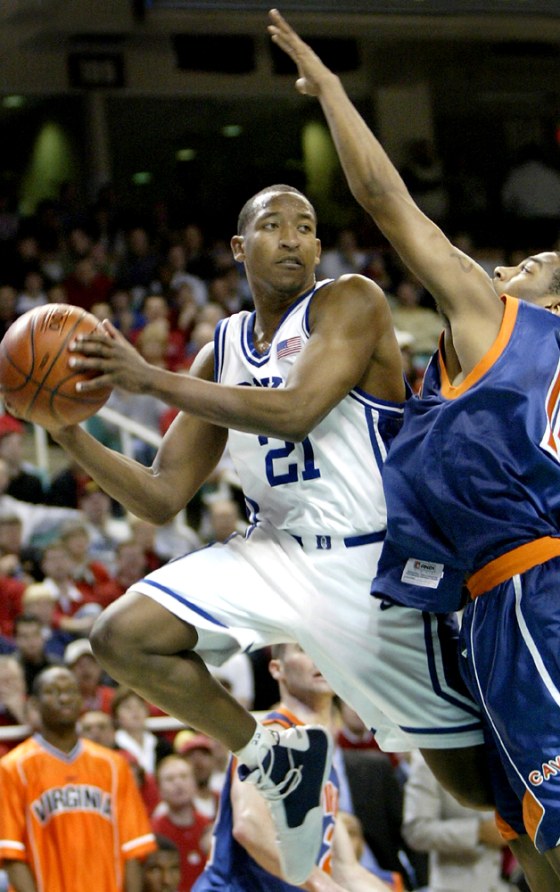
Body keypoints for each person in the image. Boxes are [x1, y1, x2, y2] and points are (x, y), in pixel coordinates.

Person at [26, 182, 485, 886]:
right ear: (240, 248)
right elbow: (159, 496)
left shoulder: (351, 301)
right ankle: (274, 756)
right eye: (275, 226)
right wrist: (68, 432)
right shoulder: (225, 346)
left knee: (476, 787)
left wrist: (150, 380)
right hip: (269, 549)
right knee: (120, 637)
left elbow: (296, 409)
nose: (295, 238)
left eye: (306, 227)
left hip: (366, 564)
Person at [266, 8, 560, 889]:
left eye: (535, 262)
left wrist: (334, 95)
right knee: (527, 833)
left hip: (527, 594)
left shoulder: (503, 325)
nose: (508, 268)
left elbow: (386, 203)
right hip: (495, 598)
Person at [193, 642, 396, 892]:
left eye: (322, 648)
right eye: (303, 649)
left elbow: (346, 869)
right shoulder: (270, 735)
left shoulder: (322, 753)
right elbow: (248, 827)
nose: (318, 658)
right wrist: (322, 885)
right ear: (277, 669)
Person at [0, 665, 156, 891]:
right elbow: (11, 853)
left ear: (81, 700)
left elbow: (132, 848)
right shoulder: (13, 768)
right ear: (34, 704)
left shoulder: (114, 765)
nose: (64, 698)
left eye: (71, 691)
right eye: (53, 691)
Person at [402, 750, 512, 892]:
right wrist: (479, 831)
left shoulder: (506, 748)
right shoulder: (428, 758)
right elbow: (415, 830)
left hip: (514, 881)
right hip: (458, 885)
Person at [150, 755, 212, 890]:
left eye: (184, 776)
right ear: (159, 789)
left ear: (195, 783)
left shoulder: (209, 828)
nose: (178, 783)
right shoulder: (153, 832)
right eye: (170, 779)